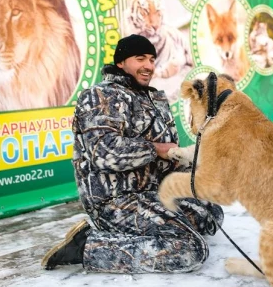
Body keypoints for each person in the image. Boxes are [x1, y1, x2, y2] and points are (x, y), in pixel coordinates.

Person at [41, 34, 224, 273]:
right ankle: (86, 247)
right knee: (190, 249)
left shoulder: (155, 98)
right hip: (116, 202)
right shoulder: (100, 96)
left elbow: (168, 155)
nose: (149, 66)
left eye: (151, 59)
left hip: (152, 194)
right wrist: (155, 149)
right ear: (121, 63)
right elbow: (104, 152)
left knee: (211, 213)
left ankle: (153, 232)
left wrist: (190, 165)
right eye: (140, 59)